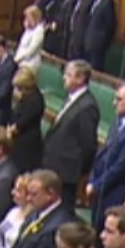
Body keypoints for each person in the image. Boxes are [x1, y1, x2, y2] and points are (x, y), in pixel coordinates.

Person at [85, 81, 125, 223]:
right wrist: (92, 180)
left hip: (114, 194)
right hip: (101, 191)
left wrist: (96, 185)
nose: (114, 103)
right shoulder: (118, 121)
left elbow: (122, 167)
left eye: (119, 99)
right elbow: (104, 154)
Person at [41, 60, 100, 212]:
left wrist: (78, 170)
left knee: (61, 210)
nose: (64, 78)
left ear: (80, 79)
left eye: (68, 75)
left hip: (67, 172)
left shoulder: (87, 106)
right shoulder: (72, 99)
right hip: (55, 166)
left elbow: (88, 145)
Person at [8, 70, 45, 174]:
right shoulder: (25, 97)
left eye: (20, 88)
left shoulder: (35, 100)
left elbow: (22, 122)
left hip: (27, 144)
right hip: (19, 140)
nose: (18, 90)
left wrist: (11, 130)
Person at [14, 6, 45, 74]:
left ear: (34, 17)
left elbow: (31, 50)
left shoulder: (39, 31)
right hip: (21, 63)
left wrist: (18, 58)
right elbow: (22, 45)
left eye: (28, 17)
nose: (26, 19)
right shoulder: (28, 29)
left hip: (30, 65)